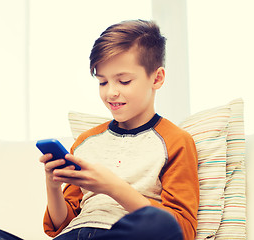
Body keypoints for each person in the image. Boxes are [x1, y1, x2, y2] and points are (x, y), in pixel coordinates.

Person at [39, 19, 199, 240]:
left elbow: (181, 230)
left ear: (157, 77)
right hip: (71, 235)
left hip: (120, 234)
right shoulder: (86, 141)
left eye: (123, 81)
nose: (110, 93)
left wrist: (113, 187)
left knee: (163, 223)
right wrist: (53, 185)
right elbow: (62, 225)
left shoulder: (175, 141)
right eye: (102, 82)